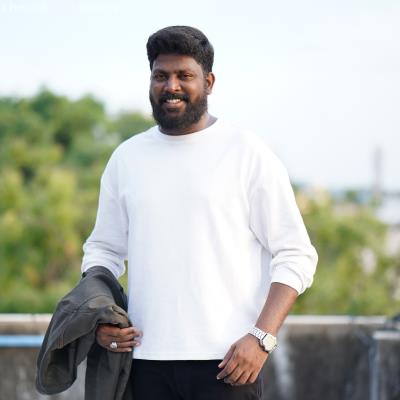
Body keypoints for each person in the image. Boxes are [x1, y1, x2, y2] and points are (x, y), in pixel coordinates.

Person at [81, 25, 318, 400]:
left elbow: (296, 254)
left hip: (228, 364)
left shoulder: (247, 152)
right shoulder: (127, 158)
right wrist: (99, 318)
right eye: (161, 76)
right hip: (142, 362)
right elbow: (103, 251)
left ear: (208, 82)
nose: (171, 86)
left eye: (184, 75)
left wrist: (261, 337)